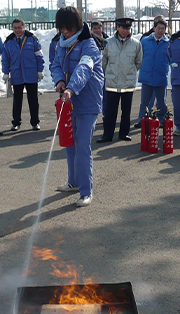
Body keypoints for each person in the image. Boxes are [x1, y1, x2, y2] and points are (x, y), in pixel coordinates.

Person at [51, 6, 104, 207]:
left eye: (68, 28)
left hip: (88, 101)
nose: (64, 32)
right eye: (61, 28)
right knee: (69, 142)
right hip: (69, 101)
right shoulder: (62, 44)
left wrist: (71, 88)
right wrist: (59, 82)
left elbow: (84, 69)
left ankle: (85, 190)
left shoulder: (89, 45)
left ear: (78, 25)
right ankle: (73, 181)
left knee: (82, 145)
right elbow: (55, 65)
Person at [97, 17, 142, 143]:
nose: (126, 30)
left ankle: (124, 133)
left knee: (126, 111)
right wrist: (111, 72)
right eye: (123, 28)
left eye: (128, 28)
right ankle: (107, 135)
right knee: (110, 111)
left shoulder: (136, 44)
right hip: (112, 83)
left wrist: (130, 72)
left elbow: (138, 62)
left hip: (128, 83)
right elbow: (103, 61)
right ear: (118, 27)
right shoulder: (108, 42)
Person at [2, 18, 44, 131]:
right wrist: (6, 72)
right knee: (17, 100)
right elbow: (5, 59)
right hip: (17, 74)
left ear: (24, 27)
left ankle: (35, 122)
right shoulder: (9, 41)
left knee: (33, 100)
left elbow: (39, 56)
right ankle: (16, 122)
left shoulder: (32, 39)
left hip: (31, 74)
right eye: (15, 28)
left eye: (19, 27)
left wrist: (40, 70)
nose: (17, 30)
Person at [136, 19, 169, 126]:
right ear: (154, 28)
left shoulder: (169, 42)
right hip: (147, 76)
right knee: (144, 102)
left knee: (162, 102)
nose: (160, 31)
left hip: (161, 77)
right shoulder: (145, 41)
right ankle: (142, 120)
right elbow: (138, 56)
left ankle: (162, 120)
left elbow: (172, 58)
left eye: (163, 29)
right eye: (158, 28)